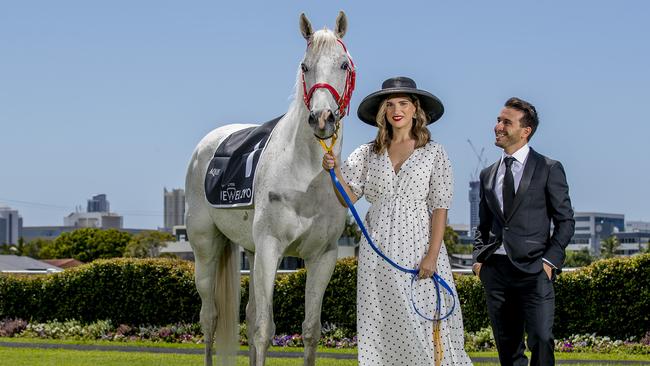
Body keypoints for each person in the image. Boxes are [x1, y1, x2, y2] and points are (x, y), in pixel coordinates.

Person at [322, 77, 472, 366]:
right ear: (383, 112)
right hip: (377, 247)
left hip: (419, 245)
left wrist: (432, 255)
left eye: (403, 103)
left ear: (416, 109)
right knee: (381, 321)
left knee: (423, 319)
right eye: (389, 104)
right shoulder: (367, 153)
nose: (396, 110)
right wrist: (334, 170)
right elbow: (347, 198)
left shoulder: (434, 152)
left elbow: (440, 208)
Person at [472, 97, 575, 366]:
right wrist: (479, 260)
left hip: (535, 270)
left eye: (506, 122)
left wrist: (549, 262)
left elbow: (566, 221)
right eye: (498, 120)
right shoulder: (487, 174)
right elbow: (483, 225)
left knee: (541, 338)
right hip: (496, 271)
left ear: (525, 130)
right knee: (508, 348)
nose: (498, 126)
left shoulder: (549, 168)